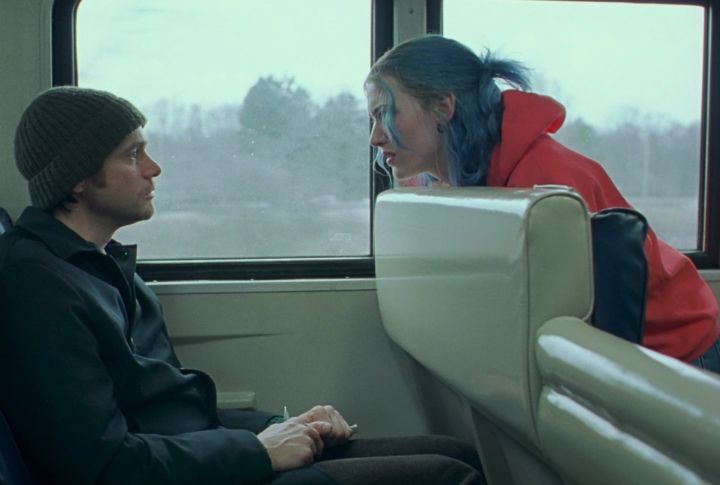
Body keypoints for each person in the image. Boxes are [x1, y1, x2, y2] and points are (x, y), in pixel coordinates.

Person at [0, 86, 485, 484]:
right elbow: (103, 467)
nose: (153, 168)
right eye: (132, 154)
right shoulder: (36, 285)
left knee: (457, 451)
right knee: (448, 477)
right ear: (78, 178)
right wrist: (258, 451)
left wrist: (281, 427)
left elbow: (173, 411)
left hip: (200, 458)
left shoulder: (104, 265)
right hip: (184, 475)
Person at [365, 35, 720, 373]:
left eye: (385, 113)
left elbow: (593, 321)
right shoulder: (454, 184)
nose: (375, 137)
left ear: (443, 107)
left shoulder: (546, 184)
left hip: (677, 352)